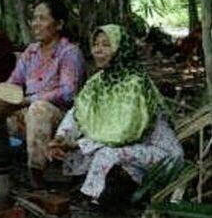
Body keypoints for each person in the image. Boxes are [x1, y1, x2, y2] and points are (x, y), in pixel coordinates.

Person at [48, 25, 183, 203]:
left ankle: (98, 194)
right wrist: (61, 137)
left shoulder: (136, 83)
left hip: (160, 155)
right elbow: (78, 113)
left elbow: (125, 133)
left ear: (121, 49)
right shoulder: (97, 82)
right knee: (88, 155)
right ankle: (116, 186)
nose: (98, 50)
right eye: (95, 44)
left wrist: (78, 144)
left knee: (105, 154)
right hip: (126, 152)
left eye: (106, 44)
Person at [7, 0, 86, 188]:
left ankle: (37, 176)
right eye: (34, 19)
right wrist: (2, 98)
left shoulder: (69, 53)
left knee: (38, 110)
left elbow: (68, 92)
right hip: (29, 111)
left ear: (59, 24)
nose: (36, 24)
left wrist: (30, 100)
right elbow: (14, 82)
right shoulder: (31, 51)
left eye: (42, 19)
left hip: (62, 118)